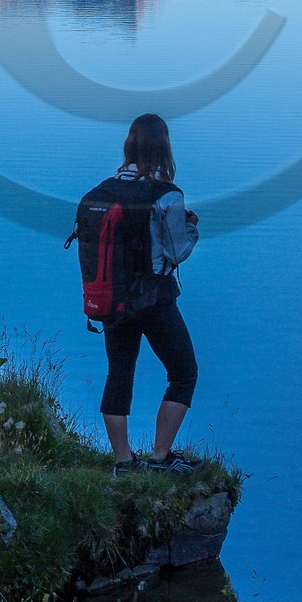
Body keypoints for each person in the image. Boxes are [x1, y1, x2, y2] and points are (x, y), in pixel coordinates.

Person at [98, 113, 200, 474]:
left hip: (115, 299)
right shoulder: (167, 194)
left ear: (129, 145)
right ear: (164, 147)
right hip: (155, 299)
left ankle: (123, 461)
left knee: (119, 374)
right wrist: (191, 228)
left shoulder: (108, 189)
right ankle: (159, 456)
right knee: (184, 371)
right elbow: (176, 252)